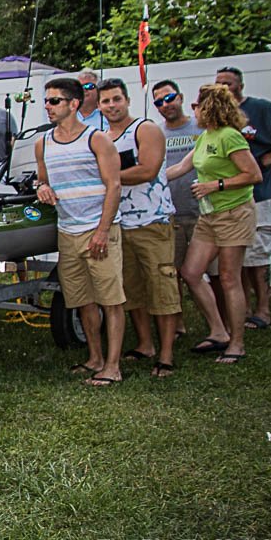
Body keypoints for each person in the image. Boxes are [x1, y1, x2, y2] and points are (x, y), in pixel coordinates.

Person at [34, 77, 125, 386]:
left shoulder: (97, 139)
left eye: (54, 101)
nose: (47, 106)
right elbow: (41, 180)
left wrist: (102, 231)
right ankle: (95, 358)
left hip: (98, 229)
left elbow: (114, 185)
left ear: (73, 104)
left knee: (111, 301)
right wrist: (42, 188)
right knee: (82, 300)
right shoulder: (42, 143)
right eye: (46, 100)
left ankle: (112, 366)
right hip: (67, 231)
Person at [166, 84, 262, 364]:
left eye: (197, 105)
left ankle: (237, 343)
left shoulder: (230, 137)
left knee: (230, 277)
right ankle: (218, 331)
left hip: (234, 213)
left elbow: (253, 174)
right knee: (191, 272)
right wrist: (141, 178)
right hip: (209, 217)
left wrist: (215, 185)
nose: (193, 110)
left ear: (210, 107)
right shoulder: (204, 137)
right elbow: (180, 168)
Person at [214, 66, 271, 329]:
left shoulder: (260, 109)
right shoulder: (219, 116)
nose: (223, 87)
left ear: (240, 85)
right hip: (227, 196)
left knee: (258, 253)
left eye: (229, 83)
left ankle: (263, 308)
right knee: (235, 255)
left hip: (258, 191)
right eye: (219, 82)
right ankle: (241, 308)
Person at [98, 80, 180, 378]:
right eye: (105, 101)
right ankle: (145, 345)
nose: (111, 105)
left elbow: (148, 168)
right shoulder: (102, 137)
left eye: (116, 99)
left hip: (152, 221)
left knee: (162, 288)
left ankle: (167, 355)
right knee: (131, 289)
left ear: (127, 100)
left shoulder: (145, 129)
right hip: (119, 223)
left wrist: (107, 176)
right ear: (99, 105)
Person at [153, 80, 200, 336]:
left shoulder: (201, 127)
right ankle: (179, 324)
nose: (165, 105)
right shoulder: (156, 133)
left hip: (203, 210)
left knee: (215, 274)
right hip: (172, 212)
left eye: (169, 98)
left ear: (180, 97)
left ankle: (222, 323)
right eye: (159, 102)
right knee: (175, 272)